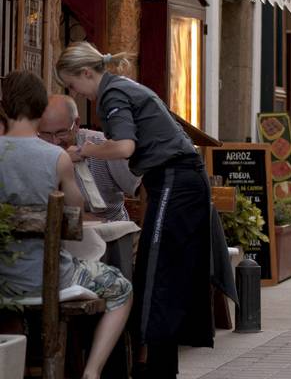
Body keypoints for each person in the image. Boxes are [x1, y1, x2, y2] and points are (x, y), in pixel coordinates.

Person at [56, 42, 214, 376]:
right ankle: (157, 363)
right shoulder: (122, 88)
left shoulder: (111, 95)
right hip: (179, 178)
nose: (77, 92)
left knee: (157, 271)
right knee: (164, 270)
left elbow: (126, 146)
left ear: (87, 73)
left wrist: (85, 151)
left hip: (174, 179)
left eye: (72, 85)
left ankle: (155, 367)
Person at [0, 71, 132, 379]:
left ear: (3, 108)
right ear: (40, 109)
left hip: (3, 278)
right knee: (122, 288)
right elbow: (76, 213)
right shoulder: (55, 158)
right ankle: (92, 371)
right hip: (46, 280)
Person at [39, 94, 141, 222]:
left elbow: (142, 188)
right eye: (46, 134)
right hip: (59, 230)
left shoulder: (104, 145)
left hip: (110, 230)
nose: (54, 141)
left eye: (61, 132)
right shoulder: (35, 151)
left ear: (76, 124)